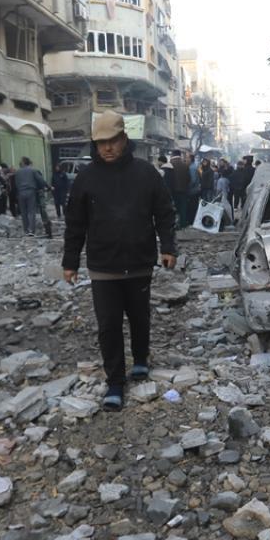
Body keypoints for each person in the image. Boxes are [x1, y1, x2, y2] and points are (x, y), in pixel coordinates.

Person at [62, 111, 177, 412]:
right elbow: (75, 223)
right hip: (103, 266)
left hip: (139, 262)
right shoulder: (86, 179)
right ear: (94, 145)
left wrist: (168, 246)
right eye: (101, 143)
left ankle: (140, 358)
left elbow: (164, 212)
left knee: (140, 318)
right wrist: (70, 261)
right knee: (108, 325)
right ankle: (115, 382)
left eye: (113, 141)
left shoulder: (146, 173)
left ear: (124, 140)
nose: (107, 148)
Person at [14, 156, 48, 236]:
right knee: (31, 211)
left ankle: (25, 229)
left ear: (23, 163)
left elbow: (16, 183)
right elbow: (40, 180)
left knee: (23, 212)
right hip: (30, 192)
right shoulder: (33, 170)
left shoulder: (18, 172)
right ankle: (31, 230)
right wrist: (48, 186)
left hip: (21, 192)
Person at [171, 150, 195, 228]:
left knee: (174, 208)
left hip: (173, 191)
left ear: (173, 154)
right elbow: (189, 178)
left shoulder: (170, 164)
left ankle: (174, 224)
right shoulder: (185, 165)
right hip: (184, 190)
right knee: (183, 208)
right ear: (180, 155)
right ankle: (183, 224)